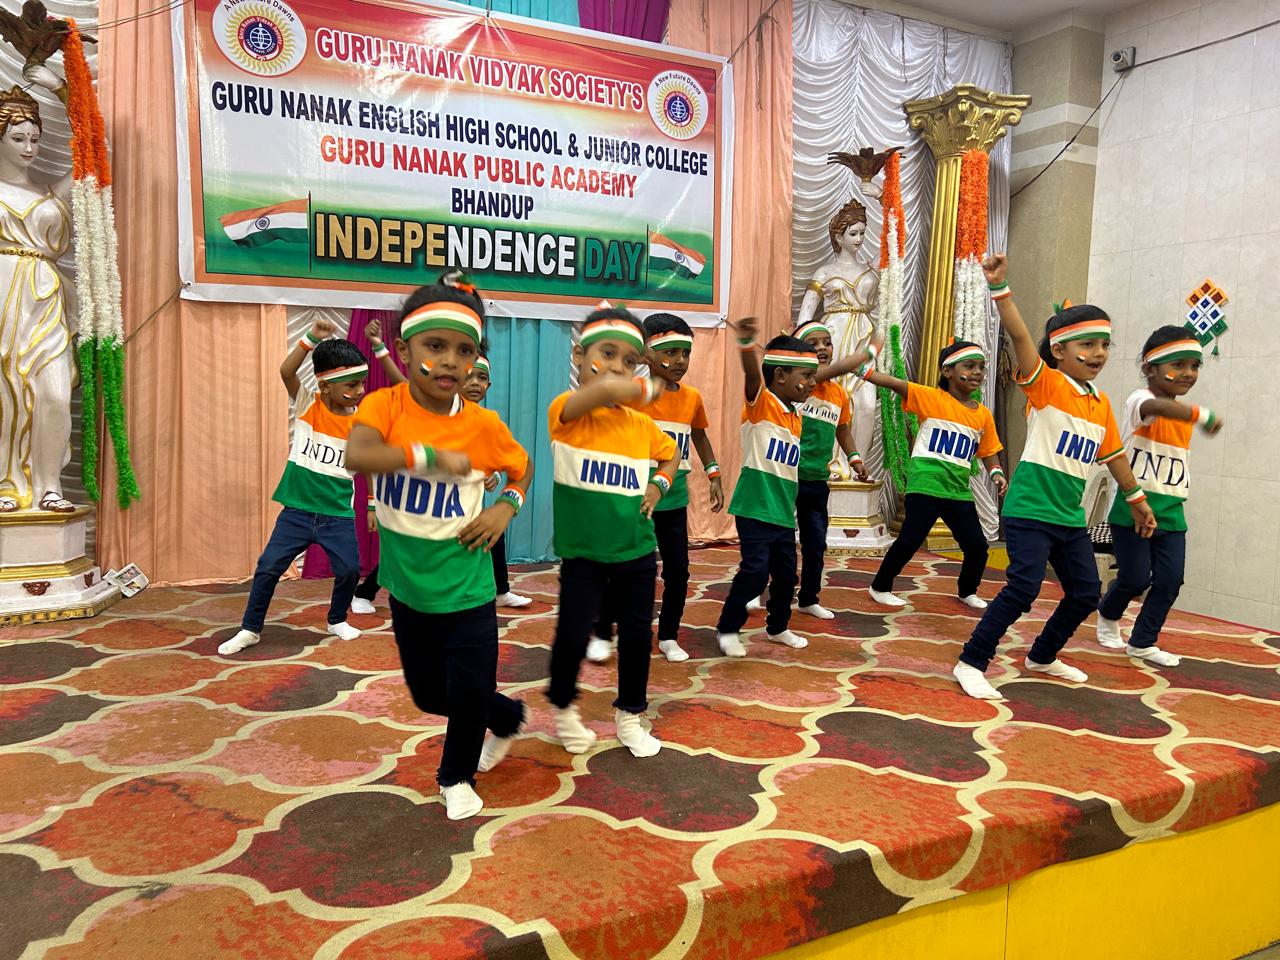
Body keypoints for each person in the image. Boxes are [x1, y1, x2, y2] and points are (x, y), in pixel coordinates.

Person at [346, 275, 533, 820]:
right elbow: (360, 455)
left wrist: (505, 507)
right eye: (435, 346)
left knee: (470, 686)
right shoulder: (384, 407)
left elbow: (520, 469)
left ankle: (456, 776)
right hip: (408, 589)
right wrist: (429, 457)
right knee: (429, 695)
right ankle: (505, 716)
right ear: (404, 351)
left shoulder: (484, 425)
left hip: (468, 587)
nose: (451, 361)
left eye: (465, 350)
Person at [953, 255, 1157, 701]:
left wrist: (1137, 500)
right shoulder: (1047, 385)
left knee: (1085, 593)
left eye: (1104, 345)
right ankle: (971, 661)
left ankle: (1042, 655)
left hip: (1068, 516)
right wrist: (1000, 288)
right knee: (1023, 589)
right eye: (1087, 344)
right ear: (1060, 350)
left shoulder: (1100, 402)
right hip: (1030, 509)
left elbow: (1115, 456)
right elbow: (1021, 336)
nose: (1098, 353)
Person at [545, 307, 679, 758]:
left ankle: (630, 715)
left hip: (636, 550)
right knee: (572, 633)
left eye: (629, 361)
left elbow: (671, 455)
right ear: (578, 356)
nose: (618, 368)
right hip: (583, 554)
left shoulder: (641, 424)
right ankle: (564, 708)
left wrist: (658, 486)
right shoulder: (567, 412)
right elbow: (602, 390)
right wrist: (643, 386)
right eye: (607, 354)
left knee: (638, 636)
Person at [715, 318, 880, 657]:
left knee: (786, 575)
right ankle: (728, 628)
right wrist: (746, 346)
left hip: (782, 512)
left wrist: (852, 458)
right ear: (779, 376)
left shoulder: (798, 416)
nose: (812, 383)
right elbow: (752, 377)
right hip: (754, 508)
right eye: (806, 376)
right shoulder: (761, 406)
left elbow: (837, 422)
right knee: (755, 572)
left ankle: (778, 627)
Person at [219, 317, 369, 656]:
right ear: (325, 386)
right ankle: (250, 629)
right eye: (352, 384)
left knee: (349, 570)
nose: (360, 390)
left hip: (337, 514)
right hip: (297, 512)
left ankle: (336, 619)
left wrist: (372, 501)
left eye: (362, 383)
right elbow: (287, 371)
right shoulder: (307, 405)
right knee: (268, 567)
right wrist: (310, 339)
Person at [350, 341, 531, 612]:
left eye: (482, 378)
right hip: (417, 499)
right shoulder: (422, 410)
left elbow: (498, 460)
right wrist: (380, 350)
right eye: (469, 376)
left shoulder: (486, 423)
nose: (475, 383)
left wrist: (494, 480)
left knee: (490, 534)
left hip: (457, 502)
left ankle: (501, 590)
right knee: (412, 547)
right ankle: (365, 592)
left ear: (489, 385)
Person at [588, 312, 724, 664]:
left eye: (686, 353)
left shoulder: (691, 397)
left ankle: (668, 635)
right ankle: (603, 631)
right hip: (634, 500)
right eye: (670, 352)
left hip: (674, 501)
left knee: (678, 571)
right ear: (648, 354)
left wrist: (714, 474)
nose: (680, 361)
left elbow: (698, 436)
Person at [1095, 327, 1224, 666]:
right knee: (1135, 578)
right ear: (1150, 368)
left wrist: (1190, 416)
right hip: (1132, 508)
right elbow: (1157, 407)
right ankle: (1108, 611)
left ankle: (1143, 641)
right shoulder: (1140, 402)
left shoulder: (1178, 414)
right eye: (1177, 365)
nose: (1188, 373)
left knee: (1170, 580)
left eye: (1194, 366)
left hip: (1172, 509)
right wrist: (1200, 414)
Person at [867, 340, 1006, 609]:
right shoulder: (931, 397)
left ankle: (967, 591)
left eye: (981, 367)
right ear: (947, 372)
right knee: (910, 540)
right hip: (925, 486)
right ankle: (880, 586)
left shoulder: (983, 416)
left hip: (958, 491)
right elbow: (894, 383)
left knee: (977, 546)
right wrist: (863, 370)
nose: (977, 372)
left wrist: (996, 472)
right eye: (969, 366)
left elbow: (989, 450)